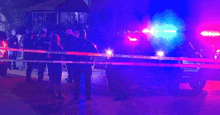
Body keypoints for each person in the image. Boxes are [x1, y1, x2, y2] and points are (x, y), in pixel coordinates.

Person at [71, 29, 97, 101]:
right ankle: (88, 96)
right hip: (86, 64)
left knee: (77, 81)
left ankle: (76, 96)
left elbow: (71, 52)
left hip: (77, 64)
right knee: (87, 81)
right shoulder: (88, 43)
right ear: (85, 35)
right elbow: (95, 52)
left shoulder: (76, 43)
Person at [48, 34, 64, 99]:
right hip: (57, 64)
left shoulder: (50, 46)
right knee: (58, 79)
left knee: (52, 79)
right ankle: (59, 94)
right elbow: (63, 52)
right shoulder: (57, 45)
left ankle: (53, 93)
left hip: (51, 64)